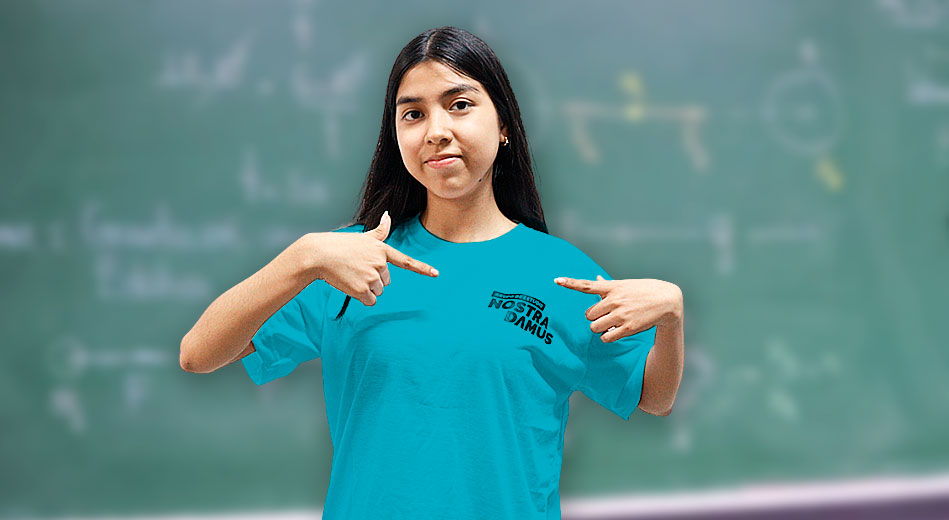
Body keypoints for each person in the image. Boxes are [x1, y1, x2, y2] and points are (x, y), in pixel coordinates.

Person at [180, 26, 684, 520]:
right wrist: (304, 256)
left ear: (504, 124)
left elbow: (653, 396)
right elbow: (198, 353)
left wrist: (672, 318)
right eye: (413, 114)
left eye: (459, 104)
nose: (436, 130)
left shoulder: (561, 275)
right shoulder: (348, 261)